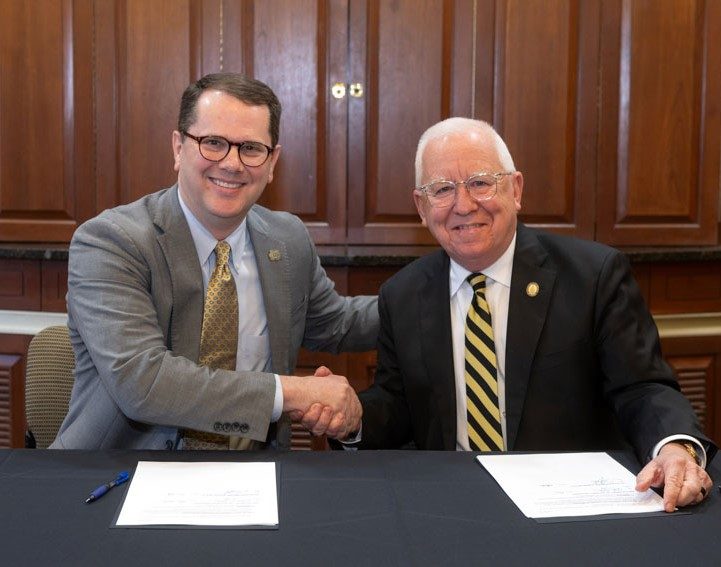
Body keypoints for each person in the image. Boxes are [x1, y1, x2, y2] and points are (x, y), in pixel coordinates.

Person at [309, 117, 716, 511]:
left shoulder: (592, 277)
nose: (463, 205)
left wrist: (673, 446)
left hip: (567, 503)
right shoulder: (403, 294)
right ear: (421, 205)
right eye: (442, 189)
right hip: (450, 503)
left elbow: (642, 388)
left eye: (481, 183)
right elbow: (399, 407)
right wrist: (353, 417)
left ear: (515, 189)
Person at [51, 73, 377, 450]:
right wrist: (292, 392)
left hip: (251, 478)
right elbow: (145, 382)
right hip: (118, 474)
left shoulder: (287, 239)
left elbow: (338, 324)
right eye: (213, 143)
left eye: (251, 148)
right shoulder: (112, 241)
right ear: (178, 148)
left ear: (273, 162)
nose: (232, 163)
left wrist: (440, 284)